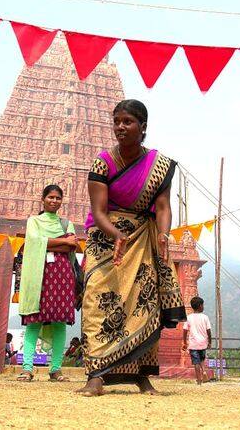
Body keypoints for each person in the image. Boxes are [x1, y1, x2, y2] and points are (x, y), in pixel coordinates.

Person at [78, 99, 186, 397]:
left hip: (143, 238)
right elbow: (98, 211)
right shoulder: (102, 162)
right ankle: (96, 375)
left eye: (128, 121)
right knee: (98, 301)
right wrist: (116, 235)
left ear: (143, 127)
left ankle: (141, 376)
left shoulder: (159, 165)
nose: (120, 127)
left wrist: (163, 235)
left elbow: (163, 207)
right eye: (117, 121)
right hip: (106, 238)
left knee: (143, 303)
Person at [17, 185, 78, 382]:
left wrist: (47, 242)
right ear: (42, 199)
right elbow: (33, 242)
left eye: (58, 198)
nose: (54, 201)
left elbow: (72, 244)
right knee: (34, 320)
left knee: (60, 321)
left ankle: (56, 368)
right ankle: (27, 368)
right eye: (50, 197)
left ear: (62, 201)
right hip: (38, 275)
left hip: (62, 275)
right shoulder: (33, 221)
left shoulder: (66, 223)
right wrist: (62, 242)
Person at [181, 296, 211, 385]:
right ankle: (204, 372)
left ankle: (199, 380)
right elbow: (208, 331)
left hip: (193, 344)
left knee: (196, 362)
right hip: (203, 343)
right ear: (200, 306)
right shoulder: (205, 317)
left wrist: (185, 342)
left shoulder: (189, 317)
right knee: (201, 359)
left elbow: (185, 330)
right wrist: (209, 341)